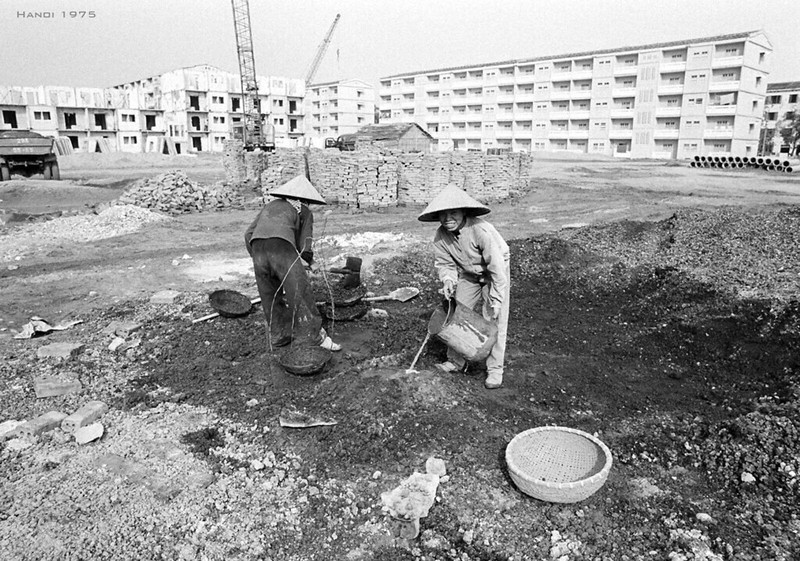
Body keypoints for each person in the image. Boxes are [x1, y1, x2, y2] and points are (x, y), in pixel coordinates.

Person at [418, 183, 510, 389]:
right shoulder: (441, 235)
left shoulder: (480, 230)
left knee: (494, 319)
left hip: (495, 272)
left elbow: (497, 269)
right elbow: (445, 264)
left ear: (463, 213)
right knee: (456, 313)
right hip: (468, 274)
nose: (448, 219)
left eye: (453, 213)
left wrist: (495, 298)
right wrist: (449, 280)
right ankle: (456, 361)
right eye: (443, 214)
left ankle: (495, 370)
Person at [244, 175, 341, 352]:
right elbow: (304, 246)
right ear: (305, 199)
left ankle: (280, 336)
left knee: (270, 296)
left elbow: (248, 234)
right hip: (281, 249)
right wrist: (311, 262)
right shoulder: (303, 211)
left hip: (257, 250)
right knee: (300, 291)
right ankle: (315, 337)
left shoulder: (271, 206)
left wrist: (259, 258)